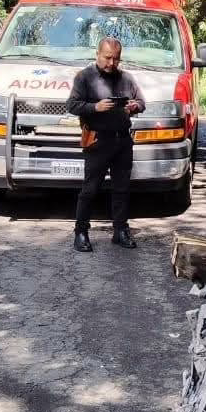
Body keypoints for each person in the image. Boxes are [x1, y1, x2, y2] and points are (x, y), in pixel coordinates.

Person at [67, 37, 145, 252]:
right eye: (108, 58)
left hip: (122, 140)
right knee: (90, 189)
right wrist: (95, 108)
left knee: (122, 189)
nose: (112, 63)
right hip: (98, 140)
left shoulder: (126, 78)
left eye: (116, 59)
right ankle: (81, 232)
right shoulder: (84, 77)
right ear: (97, 54)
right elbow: (72, 105)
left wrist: (133, 106)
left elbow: (142, 103)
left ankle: (120, 231)